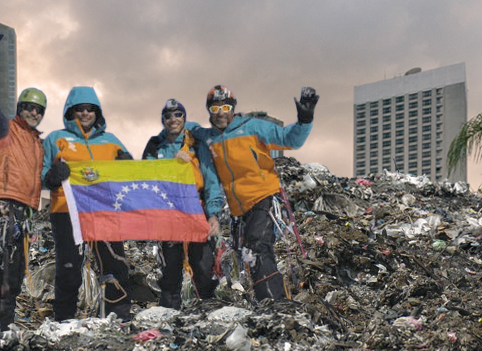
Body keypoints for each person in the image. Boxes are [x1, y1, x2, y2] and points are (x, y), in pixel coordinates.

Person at [189, 85, 318, 301]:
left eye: (226, 106)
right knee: (250, 252)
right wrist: (212, 213)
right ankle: (269, 300)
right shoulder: (209, 140)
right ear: (209, 111)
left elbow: (289, 139)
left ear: (233, 108)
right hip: (239, 210)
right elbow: (211, 182)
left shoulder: (252, 127)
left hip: (263, 196)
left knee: (257, 247)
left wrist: (305, 119)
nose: (221, 112)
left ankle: (273, 302)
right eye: (215, 108)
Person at [0, 18, 47, 331]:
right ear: (19, 108)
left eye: (38, 109)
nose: (32, 112)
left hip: (25, 213)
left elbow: (37, 179)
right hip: (1, 207)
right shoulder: (4, 127)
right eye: (27, 107)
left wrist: (54, 177)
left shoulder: (38, 144)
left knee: (14, 272)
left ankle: (3, 328)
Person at [42, 86, 133, 321]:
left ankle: (117, 318)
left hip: (105, 212)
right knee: (70, 269)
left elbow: (130, 177)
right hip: (67, 212)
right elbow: (40, 175)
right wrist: (51, 177)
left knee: (114, 266)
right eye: (80, 109)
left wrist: (128, 164)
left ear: (97, 113)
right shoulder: (56, 139)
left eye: (90, 109)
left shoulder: (111, 142)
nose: (85, 114)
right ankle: (64, 320)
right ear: (71, 111)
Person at [142, 99, 225, 310]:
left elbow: (211, 180)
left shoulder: (196, 144)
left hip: (196, 211)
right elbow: (146, 179)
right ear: (163, 120)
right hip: (167, 214)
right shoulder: (154, 146)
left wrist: (213, 214)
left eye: (178, 115)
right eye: (168, 116)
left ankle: (208, 312)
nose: (173, 119)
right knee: (170, 270)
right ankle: (170, 317)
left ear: (184, 118)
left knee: (203, 268)